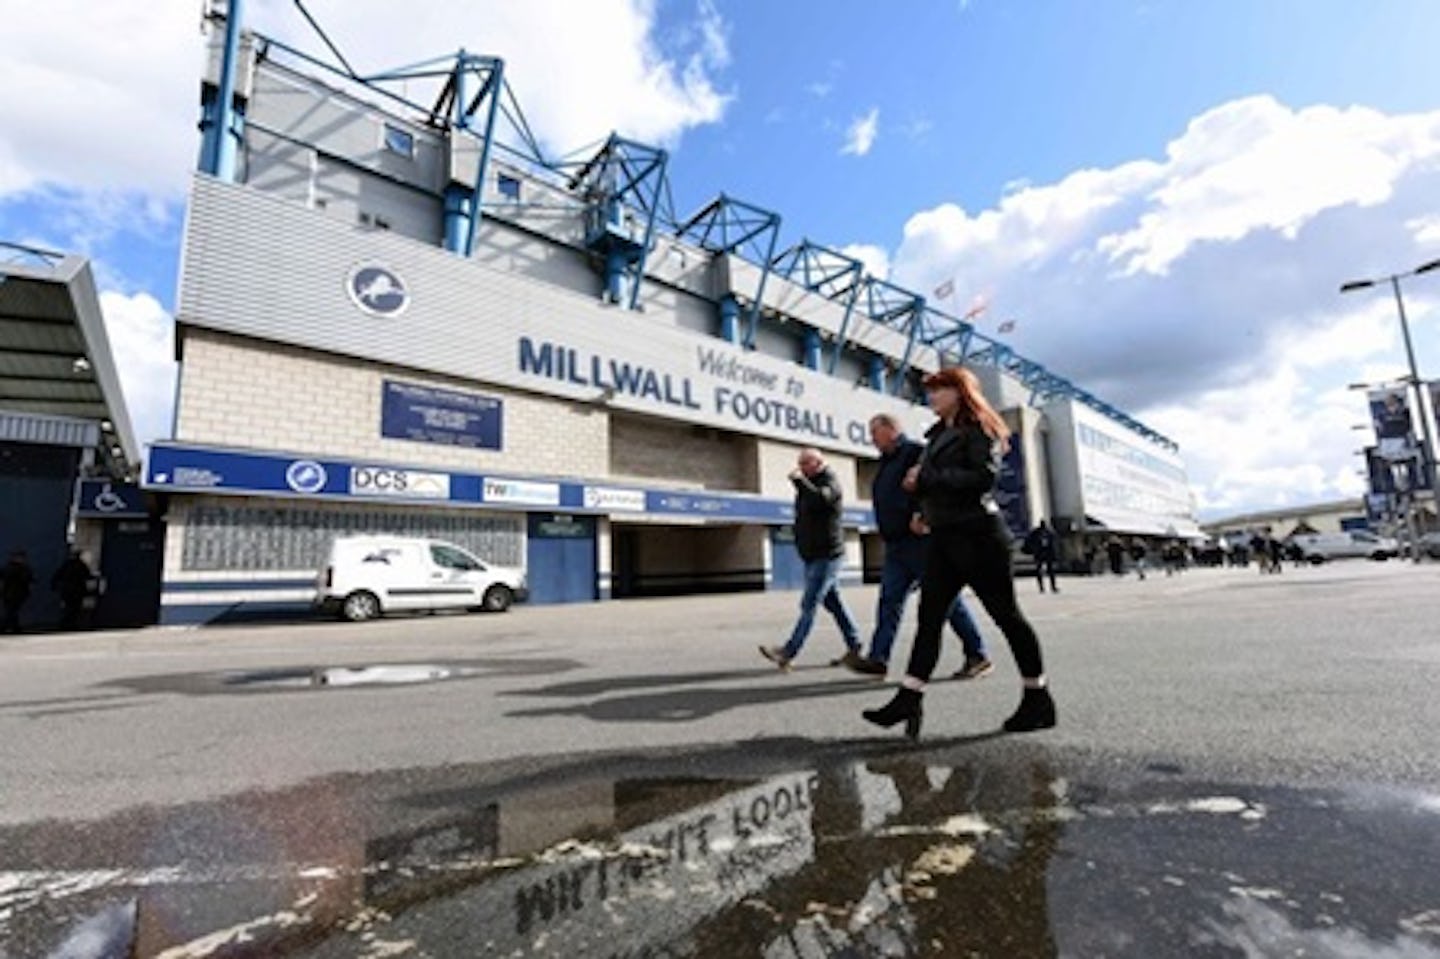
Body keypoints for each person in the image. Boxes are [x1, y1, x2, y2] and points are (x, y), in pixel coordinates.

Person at [862, 366, 1056, 738]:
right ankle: (908, 698)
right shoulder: (937, 436)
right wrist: (918, 496)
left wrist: (929, 479)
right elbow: (938, 485)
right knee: (929, 618)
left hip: (980, 536)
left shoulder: (979, 428)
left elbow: (983, 478)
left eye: (938, 390)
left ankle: (1037, 697)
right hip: (944, 537)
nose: (931, 397)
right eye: (930, 391)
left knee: (1007, 616)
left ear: (958, 391)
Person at [848, 413, 993, 680]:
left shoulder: (915, 453)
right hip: (896, 545)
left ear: (891, 430)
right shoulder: (886, 464)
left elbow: (931, 484)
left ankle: (978, 654)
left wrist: (920, 513)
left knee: (946, 600)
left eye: (875, 433)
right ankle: (879, 658)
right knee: (889, 602)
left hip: (920, 542)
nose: (872, 439)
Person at [760, 448, 863, 670]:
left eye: (805, 463)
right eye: (800, 464)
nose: (801, 469)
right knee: (834, 603)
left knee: (809, 603)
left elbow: (821, 500)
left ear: (818, 463)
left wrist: (799, 482)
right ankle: (855, 645)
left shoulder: (830, 482)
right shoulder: (808, 486)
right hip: (813, 555)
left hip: (828, 555)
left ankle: (788, 652)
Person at [52, 549, 94, 630]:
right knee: (75, 609)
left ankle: (65, 624)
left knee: (68, 608)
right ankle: (71, 624)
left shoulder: (67, 565)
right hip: (77, 591)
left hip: (67, 591)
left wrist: (55, 586)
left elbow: (57, 575)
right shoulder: (81, 565)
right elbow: (87, 576)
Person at [1, 550, 35, 634]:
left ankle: (10, 627)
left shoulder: (8, 568)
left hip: (10, 593)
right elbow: (28, 580)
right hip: (16, 593)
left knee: (11, 610)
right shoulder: (22, 569)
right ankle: (10, 627)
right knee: (12, 611)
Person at [1024, 520, 1059, 593]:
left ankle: (1052, 586)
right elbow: (1029, 541)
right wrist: (1033, 549)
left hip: (1047, 553)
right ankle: (1042, 587)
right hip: (1039, 553)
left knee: (1050, 571)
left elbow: (1054, 543)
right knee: (1039, 570)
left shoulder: (1049, 532)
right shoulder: (1036, 533)